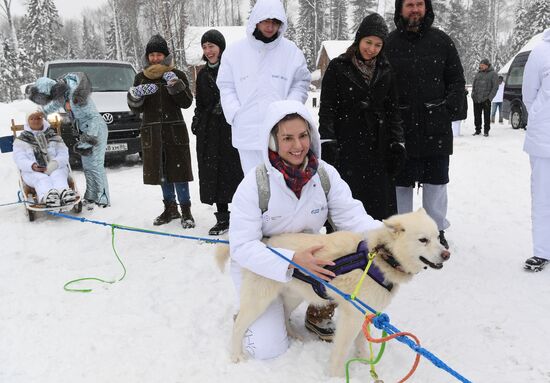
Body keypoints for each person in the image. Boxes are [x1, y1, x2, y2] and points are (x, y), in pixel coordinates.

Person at [228, 99, 380, 359]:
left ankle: (306, 313)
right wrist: (291, 260)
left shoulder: (324, 175)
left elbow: (353, 218)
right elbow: (242, 246)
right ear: (272, 141)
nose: (297, 146)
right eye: (287, 138)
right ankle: (250, 314)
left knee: (349, 259)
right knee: (267, 349)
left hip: (307, 265)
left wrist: (391, 239)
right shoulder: (255, 184)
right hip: (261, 267)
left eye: (302, 136)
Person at [385, 0, 465, 250]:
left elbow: (456, 81)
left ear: (427, 8)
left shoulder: (442, 41)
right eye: (409, 4)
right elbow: (380, 84)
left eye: (419, 4)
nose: (415, 10)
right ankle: (400, 233)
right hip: (400, 129)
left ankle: (436, 230)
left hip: (435, 129)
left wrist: (445, 111)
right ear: (400, 9)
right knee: (400, 185)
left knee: (436, 184)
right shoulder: (388, 44)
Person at [319, 13, 405, 222]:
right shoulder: (339, 67)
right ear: (359, 40)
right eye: (368, 42)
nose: (372, 49)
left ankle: (380, 245)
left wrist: (397, 141)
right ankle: (347, 247)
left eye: (378, 44)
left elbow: (393, 109)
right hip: (347, 144)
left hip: (379, 144)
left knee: (380, 202)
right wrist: (328, 139)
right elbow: (327, 107)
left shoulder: (386, 69)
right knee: (348, 199)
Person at [217, 0, 311, 174]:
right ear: (256, 21)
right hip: (247, 132)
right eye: (266, 21)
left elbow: (301, 83)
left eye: (275, 22)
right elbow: (226, 86)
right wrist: (236, 114)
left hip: (282, 133)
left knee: (283, 184)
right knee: (254, 186)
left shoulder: (291, 52)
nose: (270, 27)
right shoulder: (235, 52)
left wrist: (288, 110)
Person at [127, 34, 195, 228]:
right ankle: (170, 209)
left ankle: (186, 211)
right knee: (162, 172)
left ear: (165, 56)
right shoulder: (140, 77)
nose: (155, 58)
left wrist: (176, 86)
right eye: (152, 55)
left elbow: (187, 102)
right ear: (147, 57)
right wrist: (135, 95)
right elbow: (135, 108)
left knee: (179, 172)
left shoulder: (177, 74)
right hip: (153, 134)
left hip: (174, 132)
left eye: (159, 54)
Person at [29, 73, 110, 208]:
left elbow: (94, 118)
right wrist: (42, 113)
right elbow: (54, 105)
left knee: (96, 165)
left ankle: (103, 198)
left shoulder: (76, 96)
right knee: (88, 166)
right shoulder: (62, 94)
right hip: (84, 131)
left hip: (96, 131)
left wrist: (89, 138)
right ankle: (91, 196)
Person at [191, 30, 244, 235]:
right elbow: (200, 103)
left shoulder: (231, 69)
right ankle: (223, 218)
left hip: (230, 128)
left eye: (211, 46)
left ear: (220, 47)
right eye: (205, 47)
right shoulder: (202, 74)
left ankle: (242, 216)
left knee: (236, 171)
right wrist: (197, 121)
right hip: (210, 131)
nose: (208, 50)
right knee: (214, 173)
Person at [522, 28, 550, 272]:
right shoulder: (541, 51)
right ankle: (542, 251)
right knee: (543, 196)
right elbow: (529, 96)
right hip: (545, 139)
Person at [12, 110, 76, 207]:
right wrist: (32, 166)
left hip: (56, 167)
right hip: (32, 171)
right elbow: (19, 158)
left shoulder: (54, 136)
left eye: (38, 118)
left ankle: (65, 194)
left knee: (58, 175)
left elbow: (63, 153)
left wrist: (55, 163)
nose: (35, 121)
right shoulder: (21, 140)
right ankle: (48, 197)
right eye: (32, 118)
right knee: (41, 178)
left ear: (43, 119)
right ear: (28, 121)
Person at [472, 58, 499, 136]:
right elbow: (474, 86)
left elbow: (495, 87)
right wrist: (473, 95)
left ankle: (486, 131)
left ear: (487, 65)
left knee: (486, 116)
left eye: (482, 65)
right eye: (480, 65)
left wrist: (489, 98)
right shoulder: (478, 74)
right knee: (477, 115)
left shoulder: (493, 74)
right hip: (476, 99)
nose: (481, 67)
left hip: (486, 99)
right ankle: (477, 130)